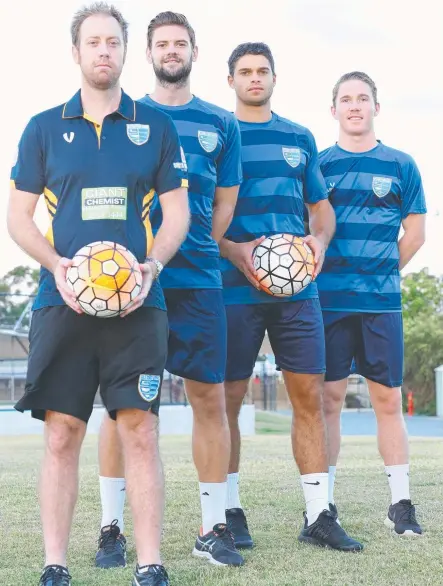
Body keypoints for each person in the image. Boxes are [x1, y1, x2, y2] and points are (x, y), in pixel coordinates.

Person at [8, 4, 189, 586]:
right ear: (77, 53)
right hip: (62, 303)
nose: (104, 50)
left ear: (124, 51)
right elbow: (18, 218)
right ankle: (55, 564)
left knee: (140, 428)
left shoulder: (155, 128)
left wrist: (151, 268)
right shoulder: (42, 127)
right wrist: (59, 266)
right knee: (62, 432)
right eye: (94, 42)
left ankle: (150, 563)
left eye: (113, 41)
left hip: (139, 305)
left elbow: (178, 214)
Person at [95, 11, 244, 569]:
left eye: (180, 43)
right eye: (162, 43)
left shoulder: (219, 124)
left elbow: (224, 204)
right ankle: (111, 528)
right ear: (149, 52)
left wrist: (200, 239)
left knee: (211, 400)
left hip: (201, 280)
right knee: (124, 409)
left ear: (194, 52)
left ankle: (213, 527)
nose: (172, 51)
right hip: (135, 282)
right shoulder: (125, 114)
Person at [220, 42, 363, 552]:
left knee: (310, 398)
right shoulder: (219, 132)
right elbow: (196, 214)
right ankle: (229, 513)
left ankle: (319, 514)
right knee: (228, 401)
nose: (254, 78)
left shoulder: (298, 137)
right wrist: (238, 254)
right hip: (233, 289)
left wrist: (318, 242)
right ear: (230, 80)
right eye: (245, 72)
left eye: (262, 71)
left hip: (299, 290)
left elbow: (321, 211)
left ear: (274, 78)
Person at [318, 71, 426, 536]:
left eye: (363, 98)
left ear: (376, 108)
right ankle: (322, 504)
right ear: (335, 110)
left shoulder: (402, 165)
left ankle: (400, 505)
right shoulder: (318, 166)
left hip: (381, 303)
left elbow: (416, 235)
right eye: (347, 99)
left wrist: (378, 270)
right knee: (329, 399)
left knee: (387, 399)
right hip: (328, 301)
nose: (355, 106)